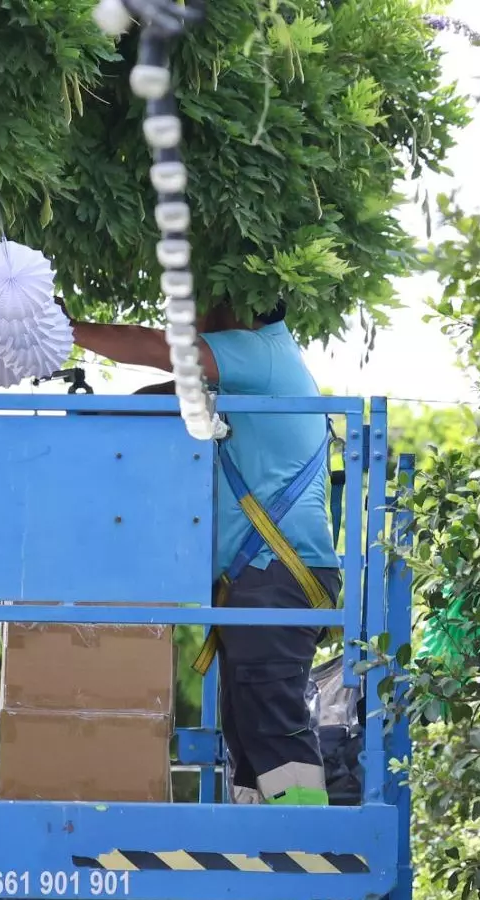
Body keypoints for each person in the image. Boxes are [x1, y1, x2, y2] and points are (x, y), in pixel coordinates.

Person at [68, 301, 340, 807]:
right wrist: (102, 410)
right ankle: (264, 852)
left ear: (242, 303)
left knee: (274, 731)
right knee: (247, 733)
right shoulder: (251, 372)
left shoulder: (260, 353)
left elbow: (159, 350)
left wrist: (66, 330)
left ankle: (307, 852)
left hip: (275, 579)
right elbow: (171, 395)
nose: (195, 320)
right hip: (260, 584)